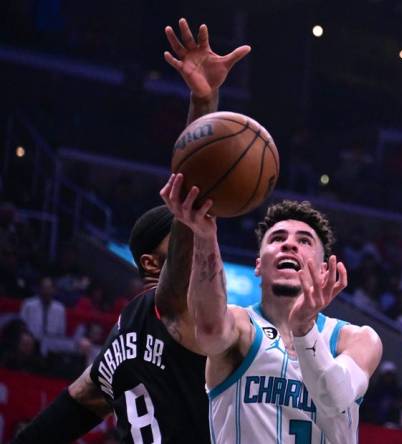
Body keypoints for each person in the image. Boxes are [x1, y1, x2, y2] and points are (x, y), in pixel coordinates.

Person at [11, 18, 250, 444]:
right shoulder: (172, 307)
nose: (194, 240)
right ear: (151, 262)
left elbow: (74, 406)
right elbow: (187, 223)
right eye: (181, 237)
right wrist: (203, 104)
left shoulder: (121, 339)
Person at [160, 176, 383, 443]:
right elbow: (209, 329)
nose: (289, 244)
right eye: (277, 239)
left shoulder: (357, 339)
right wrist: (204, 236)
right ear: (258, 265)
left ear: (324, 270)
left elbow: (336, 398)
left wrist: (304, 330)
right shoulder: (242, 327)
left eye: (304, 241)